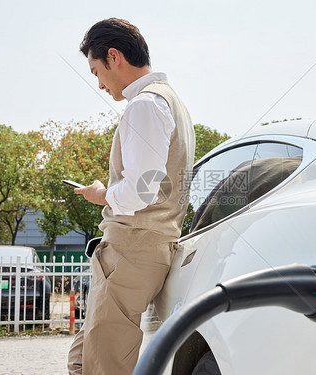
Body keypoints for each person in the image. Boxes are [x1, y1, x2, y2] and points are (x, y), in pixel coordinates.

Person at [67, 18, 195, 375]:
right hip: (142, 249)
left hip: (132, 247)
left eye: (96, 70)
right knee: (83, 361)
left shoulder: (145, 105)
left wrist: (102, 194)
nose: (99, 83)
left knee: (103, 367)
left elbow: (140, 190)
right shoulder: (171, 103)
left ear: (114, 56)